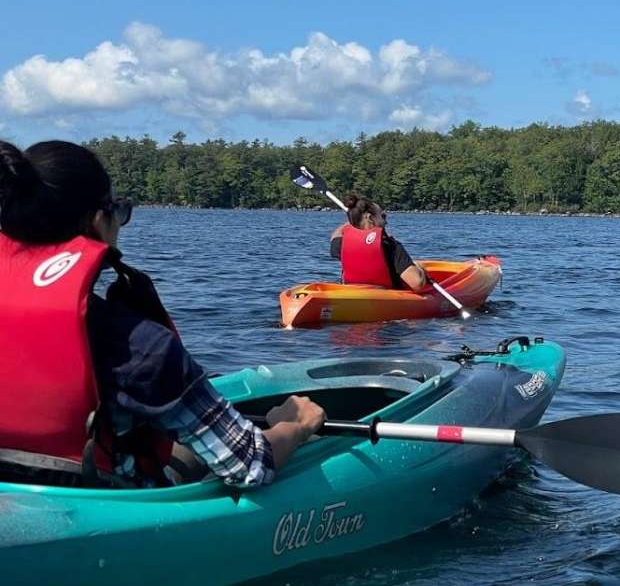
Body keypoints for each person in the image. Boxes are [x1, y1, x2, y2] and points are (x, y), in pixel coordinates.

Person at [0, 140, 325, 488]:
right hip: (99, 509)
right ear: (98, 221)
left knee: (180, 455)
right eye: (120, 210)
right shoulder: (138, 347)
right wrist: (295, 426)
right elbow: (249, 465)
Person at [330, 195, 427, 290]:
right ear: (370, 218)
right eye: (383, 216)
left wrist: (354, 221)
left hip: (353, 294)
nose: (386, 222)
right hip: (387, 299)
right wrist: (421, 269)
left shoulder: (342, 244)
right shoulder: (390, 246)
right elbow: (417, 283)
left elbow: (335, 235)